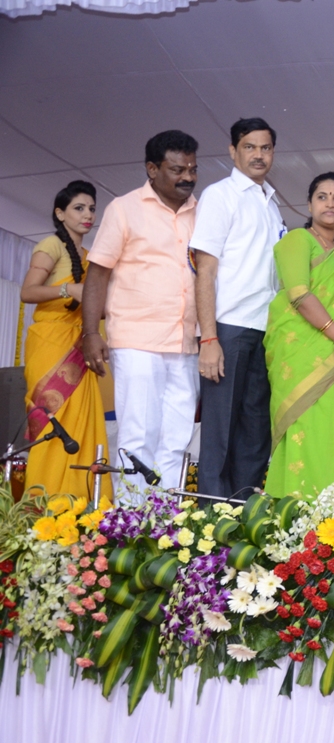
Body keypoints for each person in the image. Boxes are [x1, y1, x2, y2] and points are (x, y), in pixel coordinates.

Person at [82, 130, 200, 493]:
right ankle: (132, 520)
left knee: (177, 438)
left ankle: (167, 519)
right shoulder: (124, 208)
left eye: (193, 169)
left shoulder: (202, 211)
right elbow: (97, 273)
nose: (188, 177)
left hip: (186, 343)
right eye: (178, 169)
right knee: (138, 436)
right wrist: (91, 333)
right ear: (152, 169)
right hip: (137, 341)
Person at [265, 173, 334, 505]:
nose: (330, 203)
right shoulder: (297, 240)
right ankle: (297, 518)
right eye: (322, 196)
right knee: (305, 432)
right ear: (310, 205)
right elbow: (299, 293)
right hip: (303, 356)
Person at [190, 117, 284, 499]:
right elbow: (205, 270)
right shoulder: (220, 195)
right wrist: (209, 338)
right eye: (249, 147)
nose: (258, 155)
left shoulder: (272, 204)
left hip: (266, 330)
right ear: (233, 151)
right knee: (220, 435)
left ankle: (244, 513)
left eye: (265, 148)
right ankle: (211, 520)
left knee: (255, 433)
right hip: (228, 329)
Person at [20, 181, 109, 500]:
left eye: (92, 209)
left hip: (79, 345)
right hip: (50, 343)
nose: (88, 215)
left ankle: (80, 501)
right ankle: (46, 501)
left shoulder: (89, 257)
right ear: (60, 213)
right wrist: (67, 289)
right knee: (52, 421)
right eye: (79, 208)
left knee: (82, 422)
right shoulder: (51, 245)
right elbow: (27, 292)